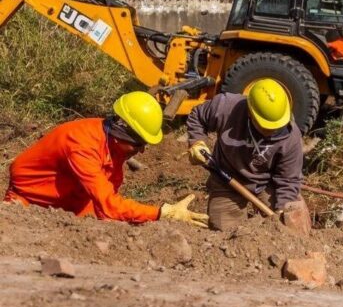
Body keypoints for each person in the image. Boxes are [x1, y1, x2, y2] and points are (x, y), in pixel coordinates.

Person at [4, 92, 208, 227]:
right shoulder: (82, 145)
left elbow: (107, 203)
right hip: (29, 204)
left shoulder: (114, 146)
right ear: (122, 133)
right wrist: (161, 213)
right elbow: (109, 205)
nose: (143, 151)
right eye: (139, 144)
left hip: (71, 204)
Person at [186, 78, 306, 231]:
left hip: (266, 183)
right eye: (266, 127)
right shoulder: (226, 107)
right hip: (226, 179)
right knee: (224, 232)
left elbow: (288, 180)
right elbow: (197, 116)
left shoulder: (291, 136)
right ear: (250, 113)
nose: (273, 132)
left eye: (276, 127)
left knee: (287, 222)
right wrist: (196, 142)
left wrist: (282, 210)